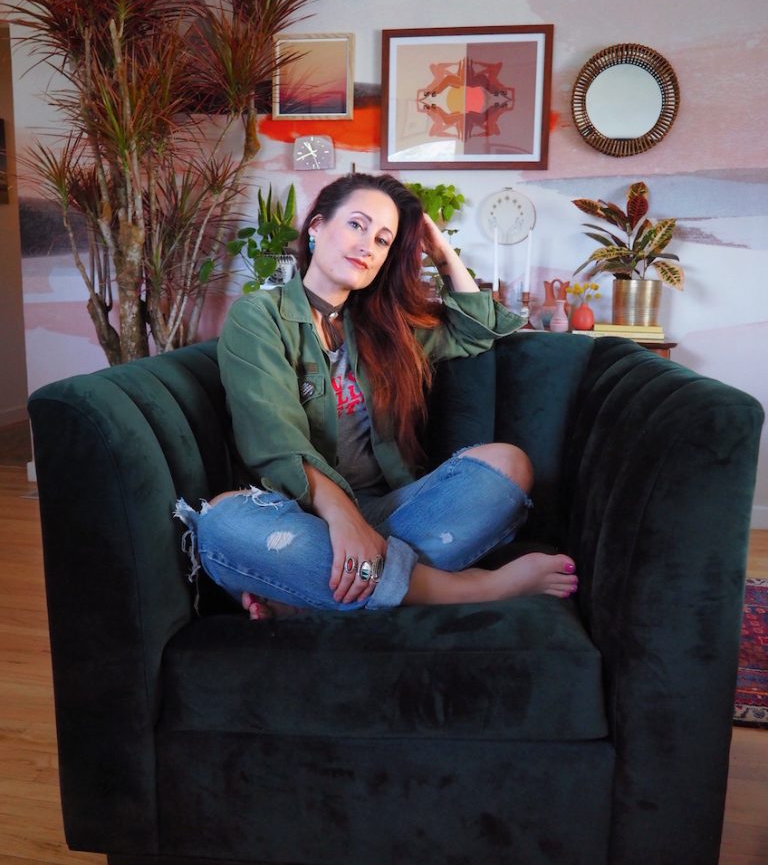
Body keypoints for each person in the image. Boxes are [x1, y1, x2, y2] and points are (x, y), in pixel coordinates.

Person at [175, 172, 577, 619]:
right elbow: (272, 439)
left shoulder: (387, 328)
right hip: (300, 515)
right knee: (223, 521)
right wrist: (344, 520)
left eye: (384, 240)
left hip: (392, 514)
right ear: (316, 227)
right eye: (356, 225)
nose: (368, 245)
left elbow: (476, 330)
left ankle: (307, 600)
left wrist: (441, 252)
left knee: (508, 464)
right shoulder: (260, 316)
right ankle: (469, 590)